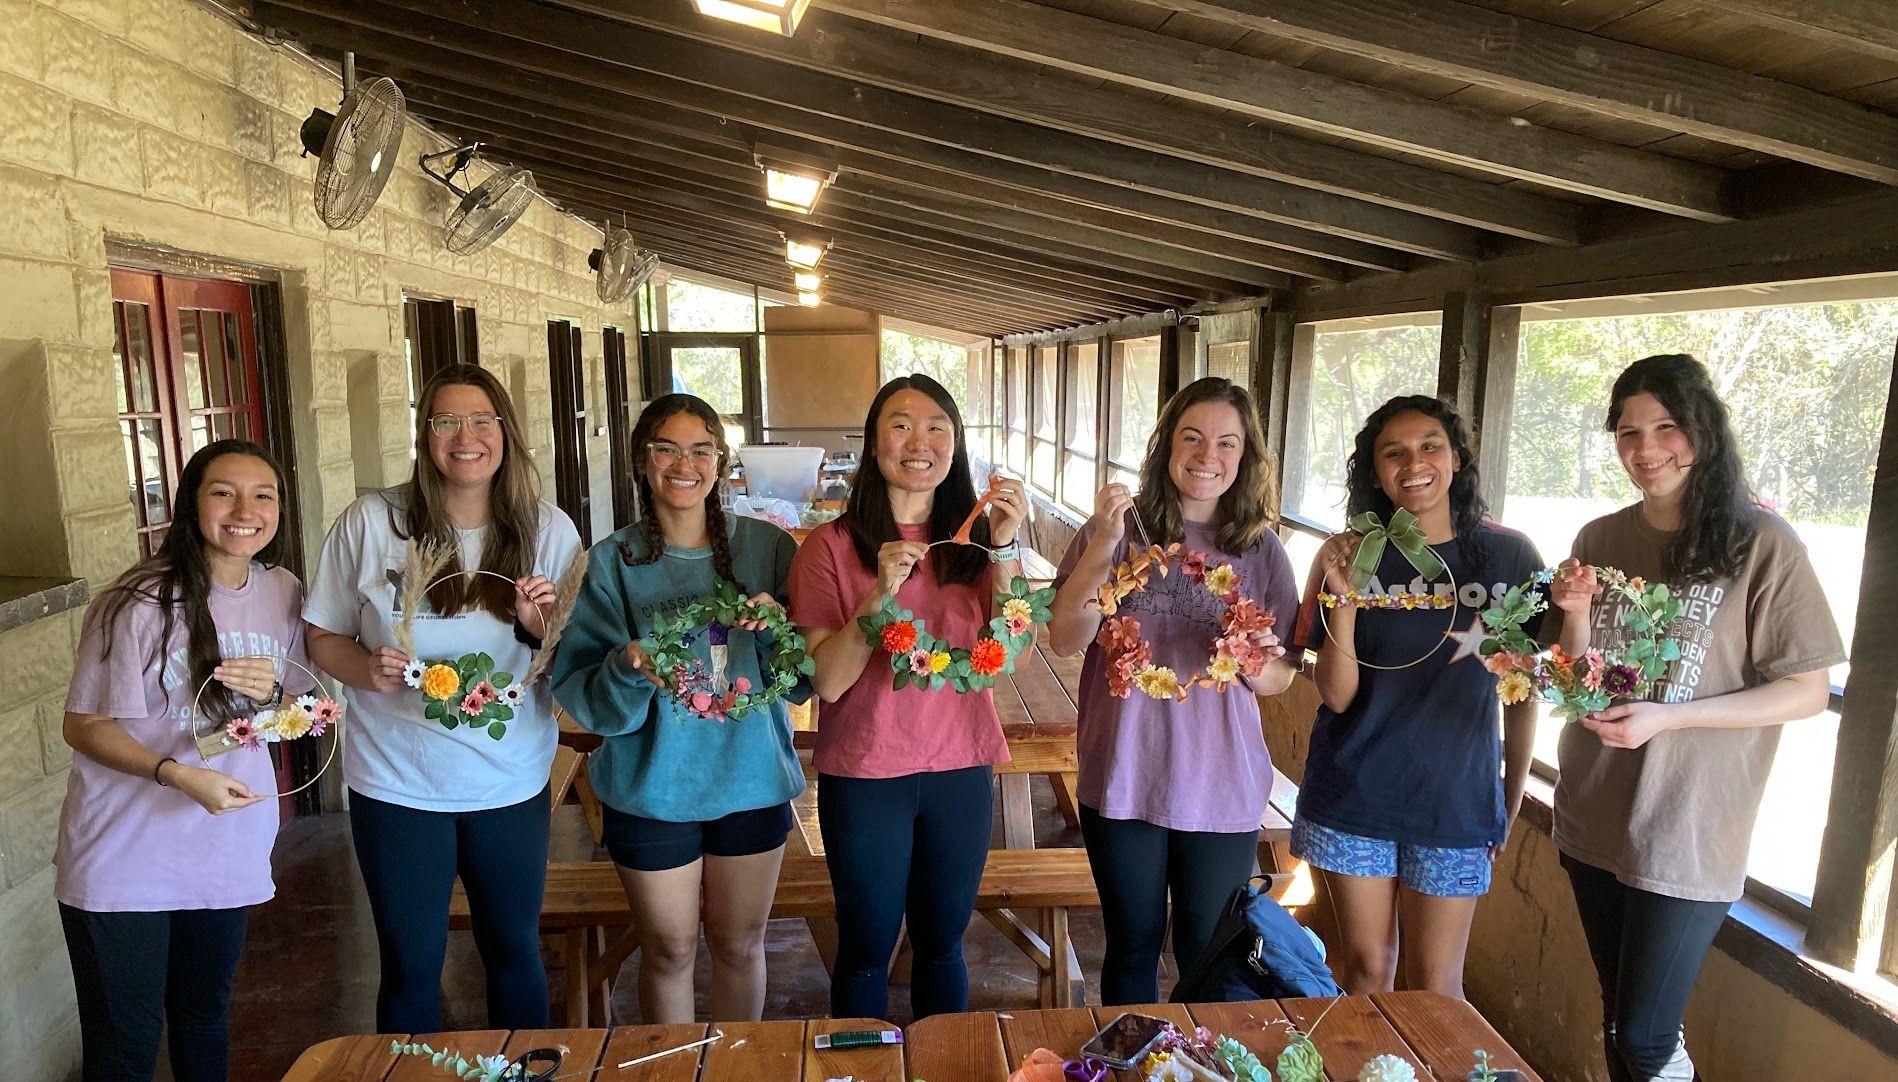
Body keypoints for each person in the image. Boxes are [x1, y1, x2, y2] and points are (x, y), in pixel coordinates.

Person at [1546, 354, 1841, 1082]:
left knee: (1648, 1039)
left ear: (1703, 430)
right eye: (1627, 432)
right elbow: (1573, 679)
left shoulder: (1763, 544)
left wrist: (1669, 720)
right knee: (1620, 1021)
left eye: (1666, 427)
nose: (1645, 451)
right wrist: (1575, 614)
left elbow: (1806, 690)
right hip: (1593, 812)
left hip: (1688, 828)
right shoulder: (1600, 536)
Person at [304, 364, 582, 1033]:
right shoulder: (373, 522)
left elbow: (574, 657)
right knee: (410, 963)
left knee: (515, 953)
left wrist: (540, 628)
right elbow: (321, 633)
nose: (466, 436)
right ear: (423, 434)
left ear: (507, 433)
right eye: (446, 420)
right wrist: (365, 669)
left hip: (508, 782)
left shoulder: (548, 530)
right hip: (398, 785)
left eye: (482, 419)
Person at [57, 440, 310, 1082]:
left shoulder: (282, 591)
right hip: (123, 858)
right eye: (223, 491)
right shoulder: (137, 602)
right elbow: (84, 726)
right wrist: (176, 773)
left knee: (204, 1019)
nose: (244, 509)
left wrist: (276, 696)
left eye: (264, 494)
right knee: (125, 1047)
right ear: (190, 502)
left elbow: (295, 709)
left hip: (223, 848)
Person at [551, 393, 808, 1023]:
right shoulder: (608, 562)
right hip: (651, 789)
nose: (683, 464)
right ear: (643, 461)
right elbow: (586, 695)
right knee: (668, 950)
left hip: (751, 780)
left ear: (721, 464)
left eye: (701, 450)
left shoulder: (769, 550)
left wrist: (777, 631)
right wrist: (628, 665)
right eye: (667, 448)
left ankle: (735, 1070)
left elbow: (804, 679)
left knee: (740, 944)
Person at [1046, 376, 1299, 1005]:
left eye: (1226, 442)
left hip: (1222, 782)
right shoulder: (1118, 529)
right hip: (1125, 773)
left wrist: (1255, 659)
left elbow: (1277, 680)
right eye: (1192, 437)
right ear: (1166, 447)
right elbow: (1065, 636)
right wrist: (1105, 542)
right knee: (1130, 945)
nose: (1207, 455)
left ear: (1246, 458)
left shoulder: (1260, 550)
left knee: (1207, 953)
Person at [786, 373, 1029, 1020]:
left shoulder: (975, 547)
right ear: (872, 444)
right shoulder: (828, 549)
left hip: (959, 767)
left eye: (937, 427)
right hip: (866, 772)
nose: (919, 441)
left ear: (955, 446)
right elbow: (828, 681)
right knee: (865, 948)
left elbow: (1006, 653)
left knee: (944, 944)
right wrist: (878, 599)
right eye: (900, 424)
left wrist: (1004, 546)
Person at [1288, 396, 1541, 998]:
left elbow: (1525, 691)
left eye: (1430, 446)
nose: (1414, 464)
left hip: (1455, 802)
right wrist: (1344, 600)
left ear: (1457, 457)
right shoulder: (1346, 553)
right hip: (1354, 795)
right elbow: (1338, 696)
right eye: (1392, 453)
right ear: (1374, 472)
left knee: (1436, 986)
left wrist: (1508, 792)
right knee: (1367, 971)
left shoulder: (1510, 556)